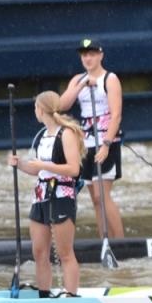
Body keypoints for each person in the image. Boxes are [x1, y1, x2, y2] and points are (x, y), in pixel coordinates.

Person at [7, 91, 85, 297]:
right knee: (39, 252)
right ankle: (44, 295)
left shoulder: (66, 134)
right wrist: (20, 164)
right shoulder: (42, 136)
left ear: (41, 110)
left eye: (35, 108)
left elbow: (74, 169)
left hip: (62, 195)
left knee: (64, 252)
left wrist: (44, 164)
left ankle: (71, 296)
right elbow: (38, 170)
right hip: (41, 194)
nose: (35, 112)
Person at [59, 38, 125, 239]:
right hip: (85, 144)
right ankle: (104, 241)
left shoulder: (110, 79)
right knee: (95, 199)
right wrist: (80, 86)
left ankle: (121, 243)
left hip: (106, 143)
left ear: (100, 55)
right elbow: (61, 106)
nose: (88, 58)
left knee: (102, 196)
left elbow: (116, 115)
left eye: (92, 54)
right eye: (84, 55)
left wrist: (105, 144)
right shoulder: (77, 80)